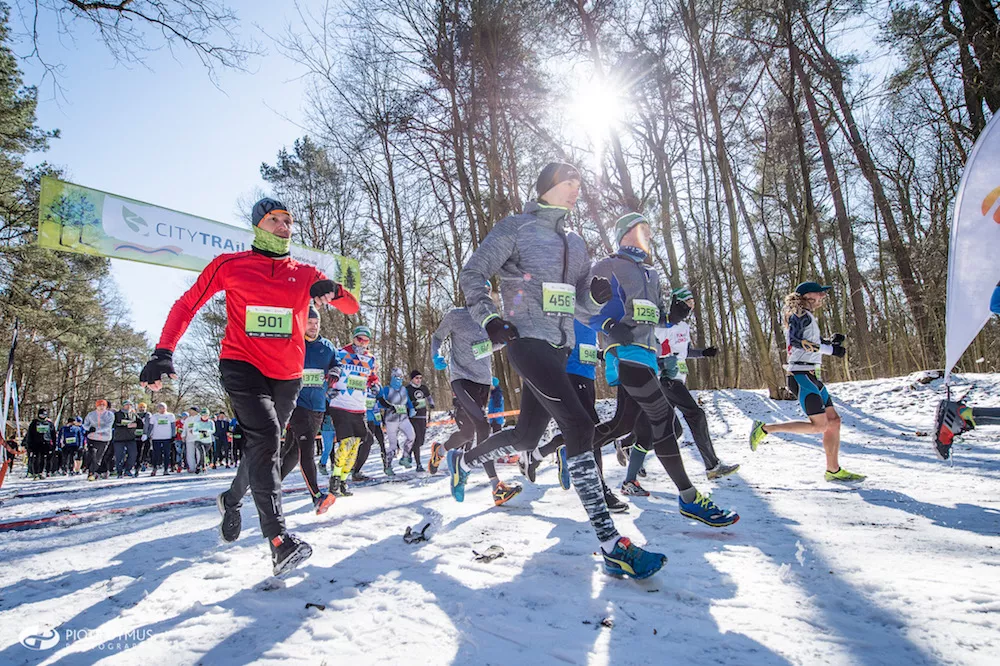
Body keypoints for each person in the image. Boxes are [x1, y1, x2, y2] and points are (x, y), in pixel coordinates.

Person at [447, 163, 666, 579]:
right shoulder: (516, 228)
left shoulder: (577, 242)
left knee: (527, 436)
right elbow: (472, 272)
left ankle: (464, 458)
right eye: (568, 183)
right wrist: (489, 318)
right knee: (580, 426)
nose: (575, 190)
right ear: (547, 187)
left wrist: (595, 298)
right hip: (525, 342)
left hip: (559, 349)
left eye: (579, 184)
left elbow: (580, 305)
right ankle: (610, 543)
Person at [139, 196, 358, 577]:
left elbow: (352, 307)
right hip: (242, 365)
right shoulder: (230, 265)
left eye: (288, 221)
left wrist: (333, 291)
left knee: (264, 446)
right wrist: (163, 352)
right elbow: (187, 304)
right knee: (268, 437)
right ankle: (279, 541)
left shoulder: (305, 274)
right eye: (275, 220)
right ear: (258, 225)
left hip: (287, 375)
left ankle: (231, 499)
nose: (284, 227)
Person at [583, 213, 738, 527]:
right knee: (663, 417)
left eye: (651, 231)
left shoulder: (651, 274)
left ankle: (571, 446)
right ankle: (688, 497)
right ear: (625, 232)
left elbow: (655, 318)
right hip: (623, 351)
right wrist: (609, 325)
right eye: (644, 229)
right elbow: (581, 307)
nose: (649, 235)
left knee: (623, 423)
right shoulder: (608, 266)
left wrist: (673, 317)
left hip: (649, 356)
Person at [618, 287, 739, 493]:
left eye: (692, 304)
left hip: (678, 378)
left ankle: (628, 444)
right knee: (696, 414)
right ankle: (712, 466)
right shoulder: (661, 326)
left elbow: (684, 351)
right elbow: (653, 351)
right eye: (687, 303)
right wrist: (663, 365)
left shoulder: (684, 327)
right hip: (664, 379)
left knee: (673, 431)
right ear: (677, 303)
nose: (690, 308)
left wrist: (703, 353)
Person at [749, 281, 865, 482]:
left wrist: (830, 342)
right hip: (800, 376)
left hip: (811, 376)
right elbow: (796, 342)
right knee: (819, 426)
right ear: (808, 296)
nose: (823, 297)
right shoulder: (800, 314)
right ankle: (765, 428)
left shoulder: (806, 315)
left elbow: (809, 342)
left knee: (834, 422)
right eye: (820, 294)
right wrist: (830, 350)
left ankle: (833, 470)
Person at [428, 306, 519, 505]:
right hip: (462, 379)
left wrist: (504, 341)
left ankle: (440, 451)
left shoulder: (490, 319)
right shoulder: (456, 315)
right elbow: (437, 337)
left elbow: (486, 347)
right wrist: (436, 355)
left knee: (468, 433)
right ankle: (495, 485)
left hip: (483, 382)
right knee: (483, 427)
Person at [534, 319, 628, 512]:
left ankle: (547, 451)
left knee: (581, 430)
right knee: (592, 430)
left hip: (587, 374)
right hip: (570, 372)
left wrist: (601, 354)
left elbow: (589, 344)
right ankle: (600, 491)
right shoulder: (569, 310)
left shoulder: (591, 315)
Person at [279, 304, 339, 513]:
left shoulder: (327, 346)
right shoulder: (294, 344)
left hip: (318, 406)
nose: (313, 326)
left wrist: (335, 373)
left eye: (316, 323)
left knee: (292, 453)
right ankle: (316, 496)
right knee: (307, 449)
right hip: (298, 405)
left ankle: (269, 484)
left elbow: (337, 363)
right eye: (309, 322)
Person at [327, 325, 378, 497]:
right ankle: (334, 479)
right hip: (340, 404)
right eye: (359, 339)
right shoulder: (340, 353)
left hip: (359, 407)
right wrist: (328, 388)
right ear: (353, 338)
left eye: (365, 340)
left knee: (356, 444)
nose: (362, 343)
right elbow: (328, 373)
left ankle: (343, 480)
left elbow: (372, 378)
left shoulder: (370, 359)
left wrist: (375, 385)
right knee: (346, 442)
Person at [378, 368, 417, 469]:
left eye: (400, 376)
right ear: (392, 377)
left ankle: (405, 458)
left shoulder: (404, 389)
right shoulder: (387, 389)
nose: (399, 379)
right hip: (391, 420)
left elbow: (408, 401)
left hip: (403, 418)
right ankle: (388, 465)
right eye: (396, 376)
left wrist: (411, 408)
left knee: (411, 436)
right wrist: (389, 407)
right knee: (393, 445)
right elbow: (380, 403)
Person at [358, 385, 389, 478]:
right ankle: (356, 467)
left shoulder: (377, 385)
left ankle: (386, 466)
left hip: (376, 419)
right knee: (365, 443)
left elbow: (382, 401)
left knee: (382, 442)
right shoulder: (363, 383)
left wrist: (391, 406)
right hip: (367, 419)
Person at [406, 370, 434, 471]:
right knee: (417, 440)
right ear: (412, 379)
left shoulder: (423, 388)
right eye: (416, 378)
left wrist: (431, 403)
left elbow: (429, 397)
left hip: (422, 416)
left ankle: (408, 452)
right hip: (413, 417)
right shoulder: (407, 389)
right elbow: (404, 402)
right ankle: (418, 465)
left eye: (420, 378)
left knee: (421, 441)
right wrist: (412, 405)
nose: (419, 380)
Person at [83, 399, 114, 481]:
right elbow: (85, 425)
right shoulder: (91, 414)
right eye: (100, 405)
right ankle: (91, 473)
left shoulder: (110, 415)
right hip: (92, 438)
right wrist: (89, 429)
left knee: (98, 457)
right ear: (96, 406)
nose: (101, 407)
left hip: (104, 438)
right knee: (91, 454)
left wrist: (96, 430)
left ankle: (95, 472)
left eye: (103, 405)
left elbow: (108, 427)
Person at [145, 402, 176, 476]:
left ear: (166, 408)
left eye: (163, 408)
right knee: (156, 454)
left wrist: (173, 436)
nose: (162, 410)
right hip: (156, 438)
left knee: (167, 454)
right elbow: (151, 427)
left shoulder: (170, 416)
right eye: (160, 408)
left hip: (167, 438)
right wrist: (148, 435)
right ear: (158, 409)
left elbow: (173, 426)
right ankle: (154, 468)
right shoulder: (154, 416)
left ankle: (166, 469)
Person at [112, 400, 140, 479]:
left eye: (130, 405)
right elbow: (114, 425)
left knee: (133, 454)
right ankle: (119, 472)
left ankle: (128, 470)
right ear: (123, 406)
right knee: (119, 456)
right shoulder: (117, 414)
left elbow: (140, 423)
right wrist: (125, 426)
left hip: (131, 438)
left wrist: (137, 426)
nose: (128, 406)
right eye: (126, 405)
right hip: (119, 439)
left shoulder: (134, 414)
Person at [25, 408, 54, 480]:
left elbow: (53, 434)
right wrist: (29, 445)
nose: (43, 416)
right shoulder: (34, 423)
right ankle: (35, 473)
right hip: (36, 443)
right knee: (36, 458)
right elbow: (29, 434)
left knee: (43, 458)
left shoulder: (49, 423)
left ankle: (41, 472)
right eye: (41, 415)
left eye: (44, 415)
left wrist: (53, 445)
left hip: (46, 443)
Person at [135, 402, 151, 472]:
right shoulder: (136, 415)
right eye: (141, 407)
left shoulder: (148, 415)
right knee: (138, 451)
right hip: (137, 436)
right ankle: (138, 464)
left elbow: (149, 425)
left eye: (143, 407)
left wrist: (147, 434)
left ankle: (144, 462)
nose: (142, 409)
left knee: (146, 450)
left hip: (146, 436)